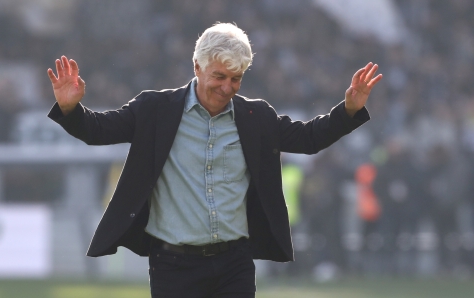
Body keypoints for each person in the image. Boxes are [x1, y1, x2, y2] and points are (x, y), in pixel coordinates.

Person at [47, 23, 382, 298]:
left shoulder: (256, 116)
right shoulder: (155, 109)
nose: (227, 87)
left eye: (236, 78)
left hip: (233, 264)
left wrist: (348, 110)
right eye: (219, 76)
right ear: (197, 67)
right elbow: (97, 130)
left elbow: (309, 138)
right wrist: (69, 108)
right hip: (173, 266)